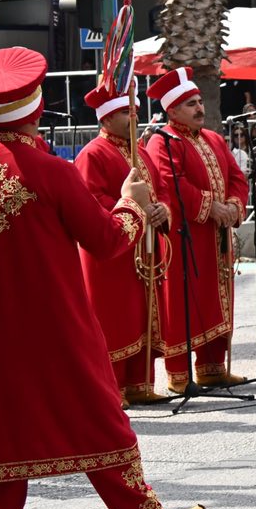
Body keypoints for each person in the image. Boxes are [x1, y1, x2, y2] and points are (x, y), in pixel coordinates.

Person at [0, 47, 204, 509]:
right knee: (96, 414)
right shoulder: (52, 173)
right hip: (55, 325)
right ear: (35, 108)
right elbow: (106, 242)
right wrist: (130, 205)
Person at [143, 67, 250, 392]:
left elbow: (237, 176)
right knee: (184, 299)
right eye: (191, 103)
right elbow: (170, 183)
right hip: (184, 238)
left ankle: (212, 367)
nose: (199, 108)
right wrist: (209, 206)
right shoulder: (162, 142)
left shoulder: (214, 139)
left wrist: (233, 205)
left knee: (219, 299)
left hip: (216, 236)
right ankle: (179, 375)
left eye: (200, 101)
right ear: (172, 110)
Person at [74, 84, 171, 403]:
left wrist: (160, 210)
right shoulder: (92, 153)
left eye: (134, 112)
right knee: (114, 315)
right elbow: (91, 200)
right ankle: (111, 387)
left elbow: (159, 192)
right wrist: (132, 207)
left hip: (143, 247)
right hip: (112, 250)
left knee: (142, 312)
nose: (135, 117)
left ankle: (140, 383)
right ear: (107, 118)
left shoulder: (140, 150)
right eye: (126, 113)